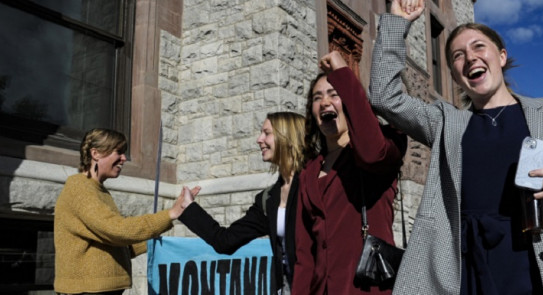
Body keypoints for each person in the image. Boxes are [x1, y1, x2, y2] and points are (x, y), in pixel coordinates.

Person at [368, 0, 543, 294]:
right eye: (458, 55)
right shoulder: (446, 122)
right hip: (464, 267)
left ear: (501, 57)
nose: (470, 57)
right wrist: (397, 24)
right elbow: (384, 97)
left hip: (532, 264)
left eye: (478, 47)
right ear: (455, 75)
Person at [291, 51, 407, 295]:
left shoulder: (386, 145)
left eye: (335, 95)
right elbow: (305, 254)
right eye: (317, 97)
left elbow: (372, 153)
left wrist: (344, 71)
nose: (325, 103)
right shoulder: (308, 172)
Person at [179, 112, 307, 295]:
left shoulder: (316, 184)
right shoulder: (268, 199)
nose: (259, 139)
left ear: (287, 136)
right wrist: (189, 208)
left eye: (267, 133)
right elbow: (226, 241)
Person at [54, 128, 193, 295]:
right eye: (118, 152)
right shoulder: (80, 188)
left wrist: (151, 238)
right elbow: (116, 230)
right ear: (95, 154)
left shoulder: (98, 190)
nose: (124, 158)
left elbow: (114, 243)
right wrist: (170, 214)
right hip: (87, 291)